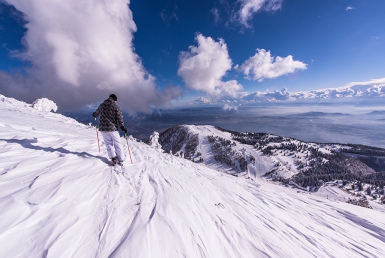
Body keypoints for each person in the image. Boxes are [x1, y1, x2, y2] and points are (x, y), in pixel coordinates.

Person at [93, 94, 127, 166]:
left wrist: (94, 115)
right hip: (113, 128)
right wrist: (122, 126)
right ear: (114, 100)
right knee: (117, 143)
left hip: (103, 128)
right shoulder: (116, 107)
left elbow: (96, 113)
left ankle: (113, 158)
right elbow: (120, 118)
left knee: (108, 143)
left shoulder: (102, 105)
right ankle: (121, 160)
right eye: (116, 101)